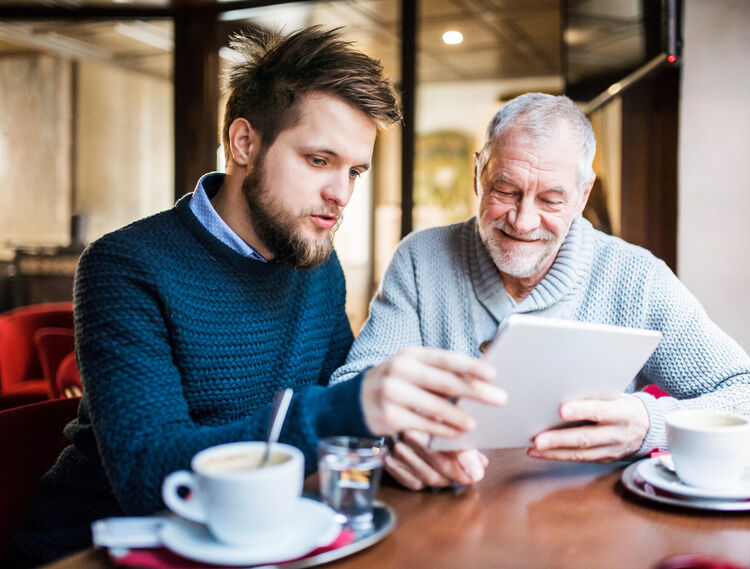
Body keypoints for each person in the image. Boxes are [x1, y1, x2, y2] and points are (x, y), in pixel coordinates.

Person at [7, 27, 505, 567]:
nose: (341, 194)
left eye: (355, 171)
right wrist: (354, 408)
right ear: (244, 142)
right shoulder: (125, 266)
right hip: (102, 549)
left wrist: (403, 443)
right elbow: (152, 476)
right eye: (319, 160)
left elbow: (338, 416)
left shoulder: (316, 263)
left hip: (261, 538)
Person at [331, 93, 750, 490]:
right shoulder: (420, 259)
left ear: (583, 193)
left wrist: (648, 425)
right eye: (505, 190)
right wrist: (393, 438)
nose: (523, 220)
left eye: (551, 200)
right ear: (478, 174)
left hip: (589, 525)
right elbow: (351, 389)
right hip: (447, 513)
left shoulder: (635, 277)